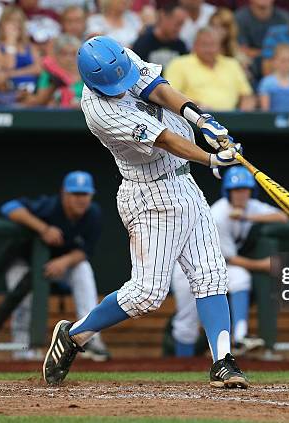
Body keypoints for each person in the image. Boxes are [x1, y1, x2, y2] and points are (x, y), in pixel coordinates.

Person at [43, 35, 249, 388]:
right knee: (147, 294)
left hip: (185, 185)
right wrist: (211, 158)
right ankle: (74, 335)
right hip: (151, 195)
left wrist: (203, 120)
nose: (119, 86)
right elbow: (166, 138)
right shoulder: (100, 112)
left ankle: (223, 362)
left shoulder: (117, 56)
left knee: (212, 276)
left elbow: (160, 89)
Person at [171, 166, 288, 357]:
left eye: (244, 189)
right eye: (236, 190)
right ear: (228, 192)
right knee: (187, 323)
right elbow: (231, 258)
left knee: (241, 278)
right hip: (189, 266)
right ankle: (181, 367)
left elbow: (282, 217)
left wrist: (247, 216)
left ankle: (240, 338)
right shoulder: (218, 215)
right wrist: (262, 265)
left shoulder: (251, 207)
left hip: (217, 266)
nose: (241, 194)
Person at [1, 171, 110, 362]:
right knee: (24, 303)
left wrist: (64, 261)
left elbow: (86, 251)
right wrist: (43, 228)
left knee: (82, 269)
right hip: (25, 263)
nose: (80, 199)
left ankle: (91, 339)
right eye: (75, 194)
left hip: (60, 267)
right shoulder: (50, 206)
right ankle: (22, 349)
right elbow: (9, 207)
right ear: (64, 193)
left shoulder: (93, 213)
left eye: (84, 194)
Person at [165, 27, 254, 111]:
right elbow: (169, 95)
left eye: (213, 45)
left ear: (219, 47)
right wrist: (195, 105)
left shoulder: (232, 64)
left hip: (231, 120)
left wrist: (246, 108)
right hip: (195, 118)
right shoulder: (179, 64)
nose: (209, 49)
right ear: (195, 45)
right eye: (204, 45)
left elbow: (247, 95)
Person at [0, 6, 42, 95]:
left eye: (18, 21)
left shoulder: (30, 47)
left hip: (32, 90)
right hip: (8, 92)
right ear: (2, 24)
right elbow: (9, 66)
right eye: (11, 21)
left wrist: (13, 73)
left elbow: (38, 69)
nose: (15, 25)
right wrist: (10, 43)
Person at [22, 35, 83, 108]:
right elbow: (40, 101)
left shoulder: (87, 73)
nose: (69, 58)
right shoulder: (49, 74)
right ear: (56, 55)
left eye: (73, 54)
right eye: (64, 54)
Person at [131, 1, 188, 68]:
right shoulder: (142, 44)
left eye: (182, 25)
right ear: (164, 16)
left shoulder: (181, 46)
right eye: (177, 24)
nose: (179, 29)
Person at [258, 44, 289, 112]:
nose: (286, 64)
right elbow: (265, 111)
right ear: (274, 61)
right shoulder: (267, 82)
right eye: (283, 60)